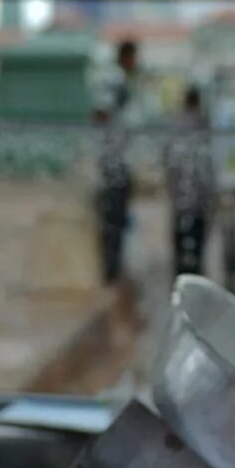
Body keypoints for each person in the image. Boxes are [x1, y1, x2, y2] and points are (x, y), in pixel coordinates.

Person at [92, 38, 140, 285]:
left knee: (116, 219)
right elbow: (100, 112)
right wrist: (110, 145)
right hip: (114, 164)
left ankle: (114, 268)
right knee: (112, 217)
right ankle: (110, 271)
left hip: (117, 161)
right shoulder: (115, 79)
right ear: (127, 56)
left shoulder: (119, 80)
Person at [165, 86, 216, 279]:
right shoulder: (203, 125)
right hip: (198, 202)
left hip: (180, 201)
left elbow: (168, 163)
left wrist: (172, 190)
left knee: (181, 249)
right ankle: (193, 283)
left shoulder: (175, 126)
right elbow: (209, 167)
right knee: (195, 249)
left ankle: (181, 284)